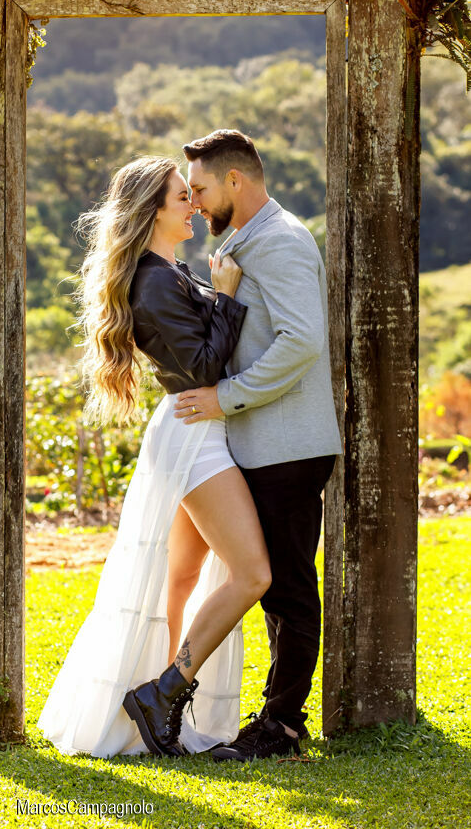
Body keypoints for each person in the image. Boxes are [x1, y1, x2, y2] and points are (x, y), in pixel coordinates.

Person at [38, 155, 272, 758]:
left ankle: (159, 712)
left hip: (197, 427)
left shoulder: (170, 269)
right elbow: (202, 368)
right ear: (151, 211)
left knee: (184, 577)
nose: (194, 203)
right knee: (252, 574)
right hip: (194, 435)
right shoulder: (155, 281)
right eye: (180, 197)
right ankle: (165, 691)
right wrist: (225, 297)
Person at [172, 129, 343, 761]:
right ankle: (277, 719)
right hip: (263, 446)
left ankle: (283, 727)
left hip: (288, 445)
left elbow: (302, 341)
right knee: (273, 586)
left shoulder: (281, 242)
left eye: (201, 189)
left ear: (236, 181)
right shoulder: (245, 242)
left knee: (290, 586)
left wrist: (227, 397)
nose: (195, 202)